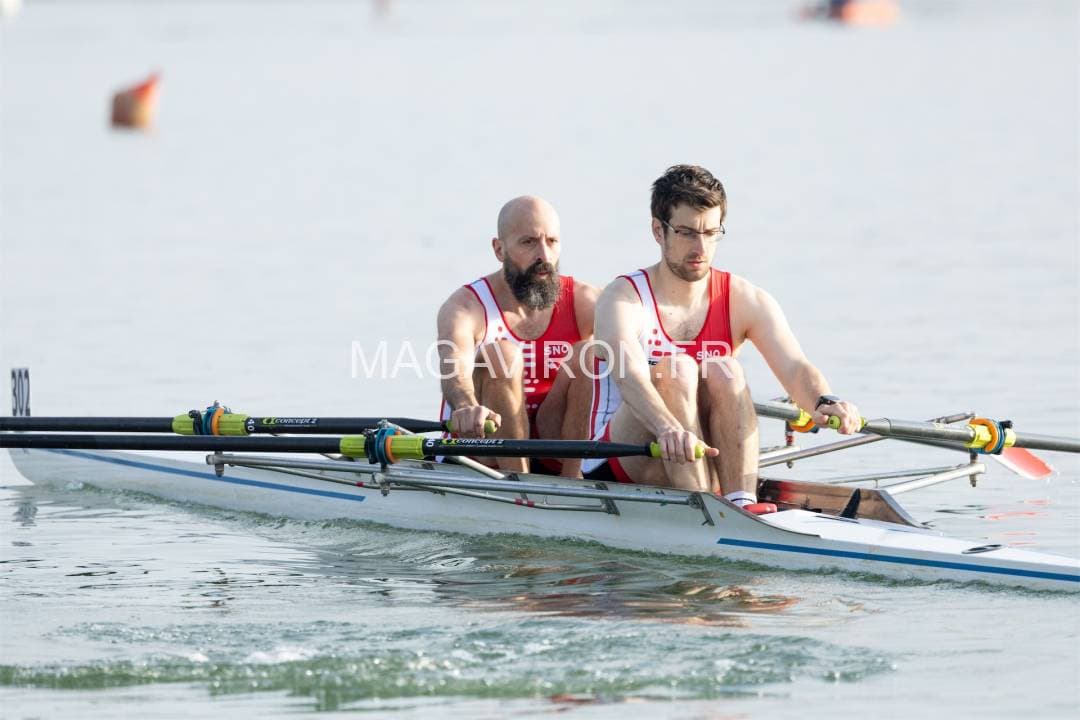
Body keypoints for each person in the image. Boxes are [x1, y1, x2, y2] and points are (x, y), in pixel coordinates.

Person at [580, 165, 861, 509]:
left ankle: (740, 502)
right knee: (677, 369)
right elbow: (629, 377)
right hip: (624, 460)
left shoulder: (744, 299)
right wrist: (667, 428)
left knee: (725, 369)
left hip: (702, 456)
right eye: (686, 233)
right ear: (658, 231)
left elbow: (795, 367)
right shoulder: (623, 298)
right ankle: (709, 511)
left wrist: (823, 401)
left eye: (711, 233)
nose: (700, 247)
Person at [436, 196, 598, 474]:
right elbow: (454, 369)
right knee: (502, 355)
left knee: (591, 352)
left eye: (552, 242)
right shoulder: (466, 306)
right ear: (499, 249)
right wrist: (465, 405)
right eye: (529, 242)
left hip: (553, 438)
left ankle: (573, 478)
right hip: (487, 447)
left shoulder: (586, 300)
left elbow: (636, 348)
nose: (544, 256)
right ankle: (518, 483)